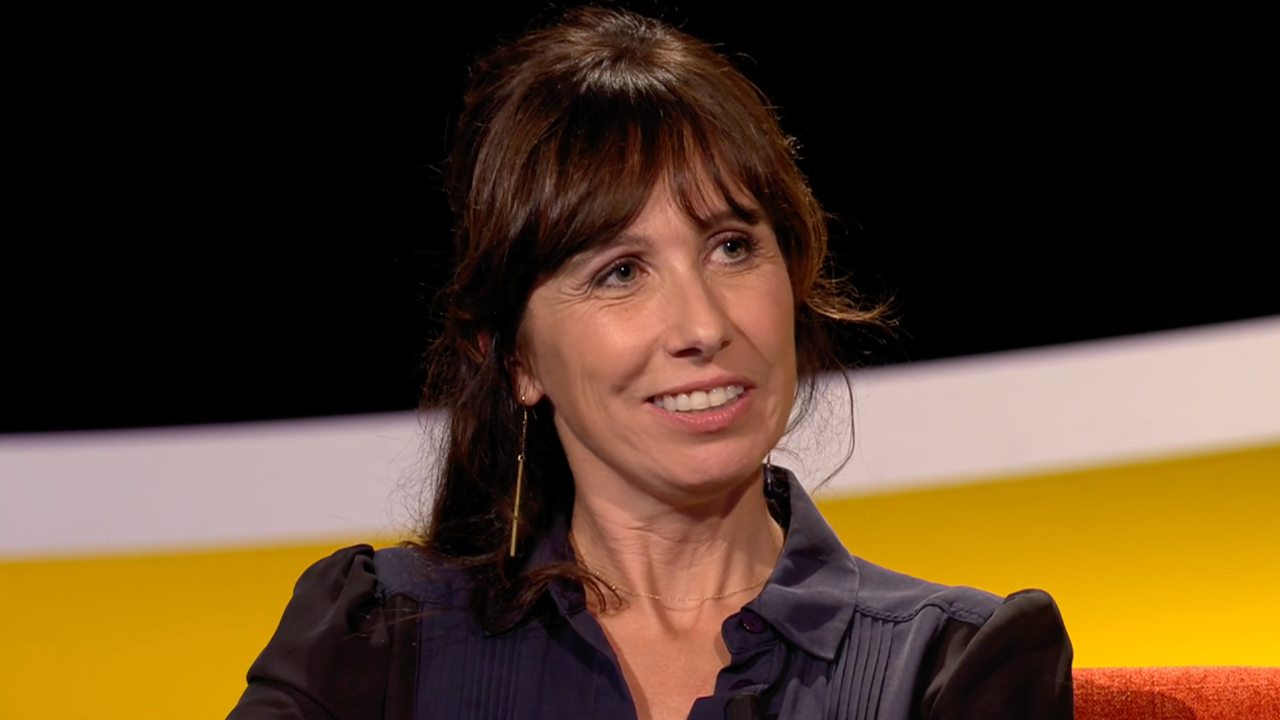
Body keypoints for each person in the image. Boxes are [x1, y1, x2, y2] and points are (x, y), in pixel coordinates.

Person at [228, 7, 1072, 720]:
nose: (702, 325)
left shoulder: (947, 665)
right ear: (514, 357)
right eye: (621, 272)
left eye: (732, 246)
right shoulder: (376, 642)